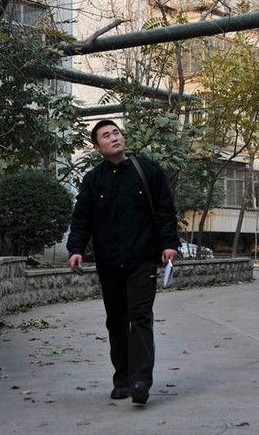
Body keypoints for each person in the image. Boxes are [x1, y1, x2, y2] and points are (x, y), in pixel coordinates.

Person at [67, 119, 180, 405]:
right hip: (109, 262)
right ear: (97, 147)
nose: (114, 137)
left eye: (116, 132)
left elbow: (165, 210)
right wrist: (76, 249)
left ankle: (140, 381)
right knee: (116, 320)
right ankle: (122, 378)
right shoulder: (93, 180)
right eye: (106, 136)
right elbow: (82, 218)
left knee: (140, 316)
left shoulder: (147, 170)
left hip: (143, 258)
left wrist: (169, 244)